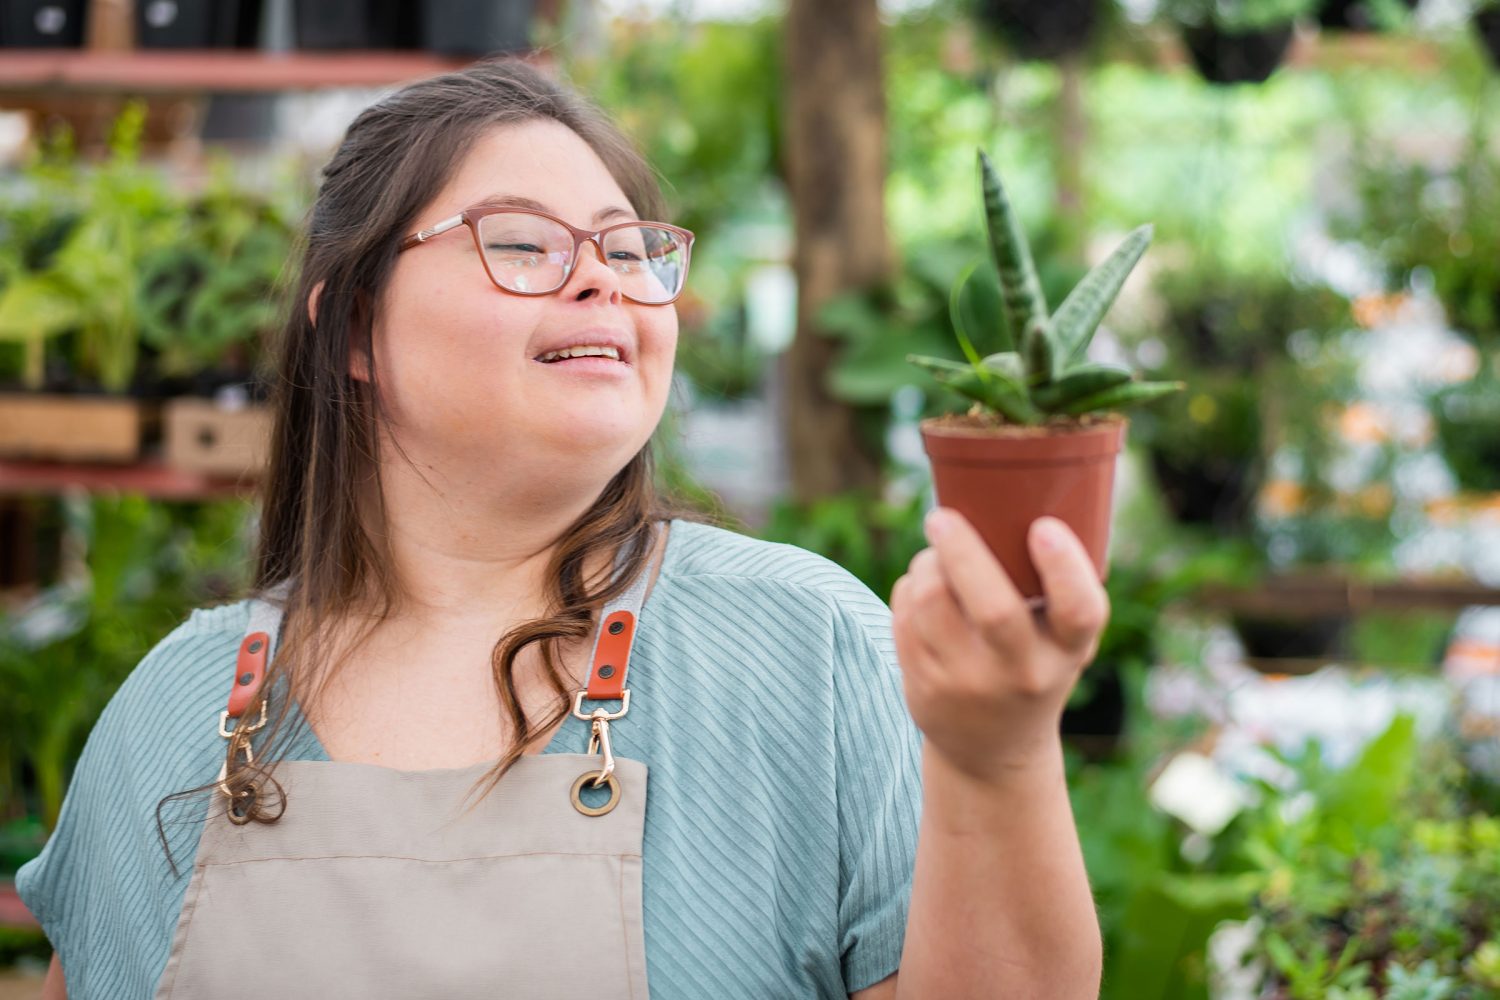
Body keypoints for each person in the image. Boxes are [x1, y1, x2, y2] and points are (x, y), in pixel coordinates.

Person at [19, 58, 1108, 999]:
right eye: (524, 243)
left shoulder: (804, 650)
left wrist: (1000, 756)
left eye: (631, 249)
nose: (603, 278)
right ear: (354, 326)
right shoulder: (176, 708)